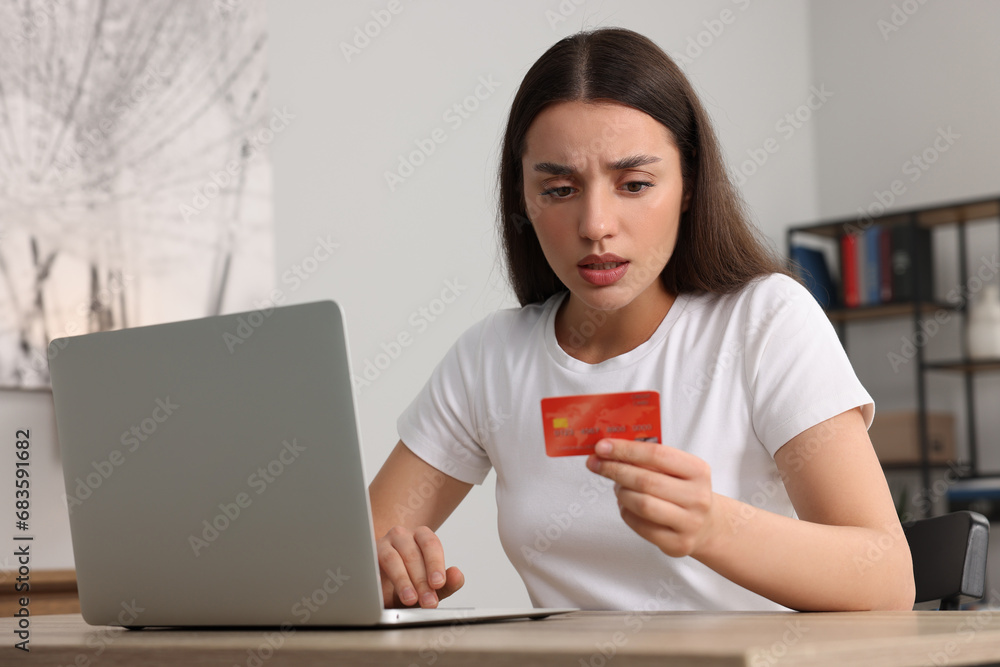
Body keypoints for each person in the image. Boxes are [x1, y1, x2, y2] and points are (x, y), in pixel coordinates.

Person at [368, 27, 914, 612]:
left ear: (688, 185)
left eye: (634, 184)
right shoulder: (491, 357)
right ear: (522, 197)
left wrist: (714, 527)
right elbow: (348, 561)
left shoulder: (764, 321)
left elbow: (885, 580)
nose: (595, 223)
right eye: (558, 188)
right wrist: (386, 573)